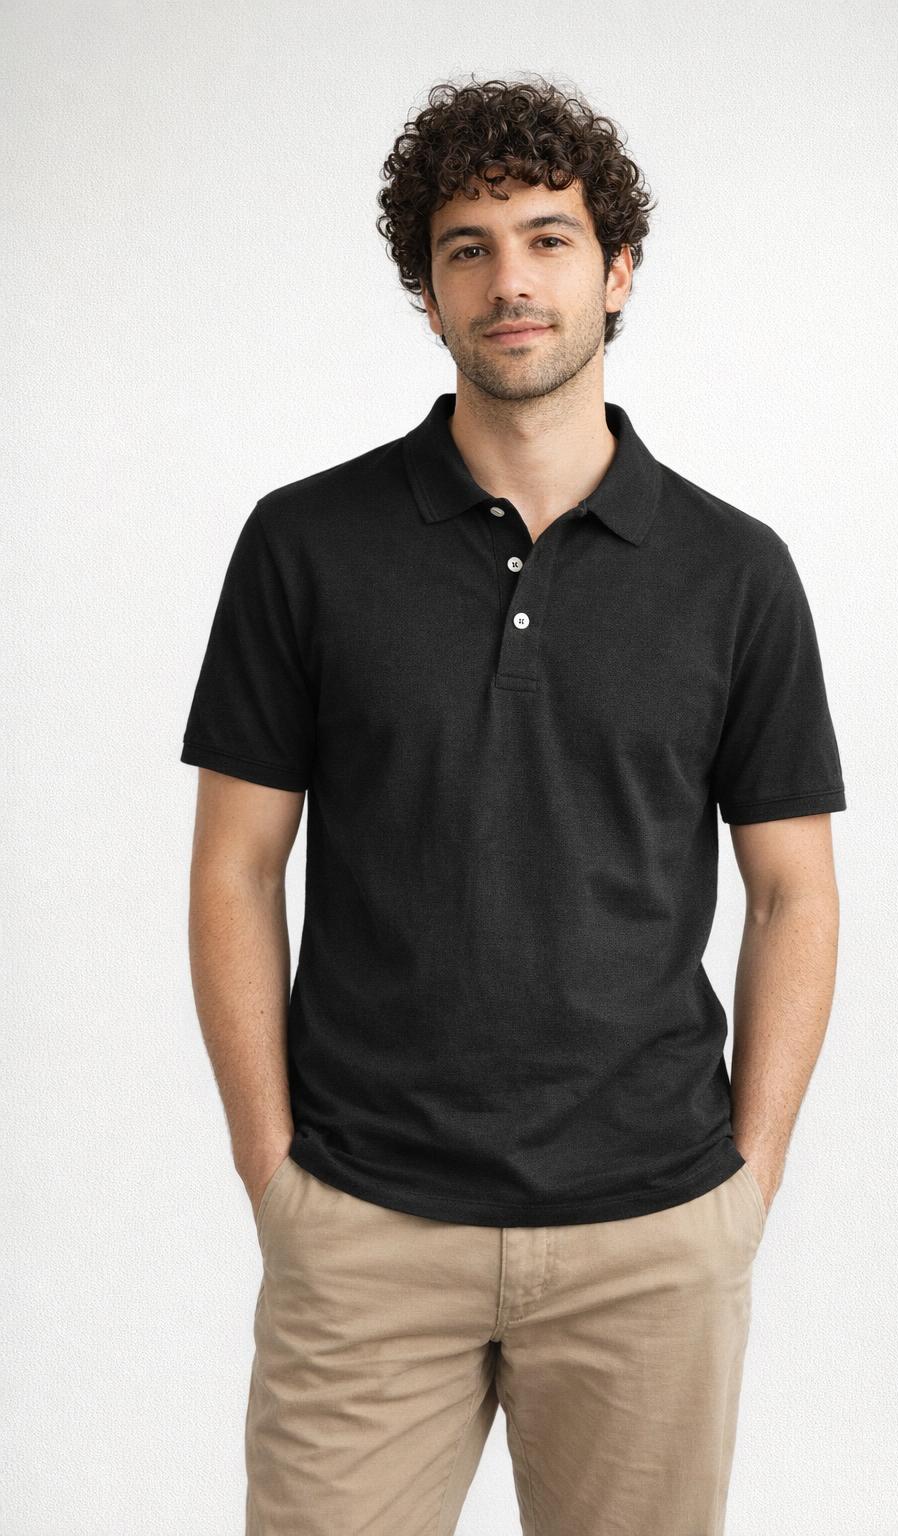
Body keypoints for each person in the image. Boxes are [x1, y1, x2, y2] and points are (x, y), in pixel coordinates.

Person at [181, 74, 846, 1536]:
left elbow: (795, 889)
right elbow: (236, 869)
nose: (511, 282)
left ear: (619, 270)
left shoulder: (737, 573)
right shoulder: (305, 544)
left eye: (550, 238)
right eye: (467, 249)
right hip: (364, 1222)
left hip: (651, 1232)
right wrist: (272, 1173)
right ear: (426, 292)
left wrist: (749, 1182)